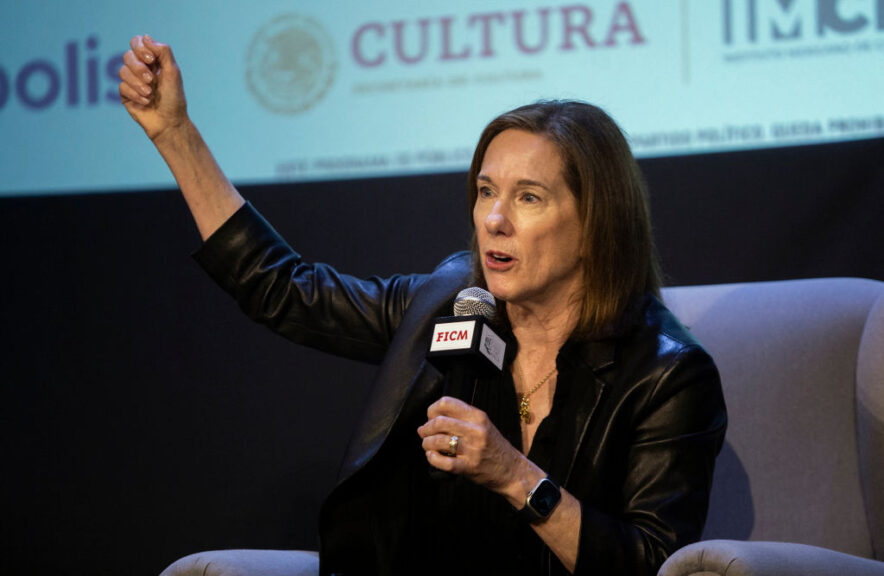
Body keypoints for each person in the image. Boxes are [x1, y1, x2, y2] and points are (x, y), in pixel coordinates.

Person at [119, 34, 727, 576]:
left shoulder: (666, 376)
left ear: (596, 223)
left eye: (529, 198)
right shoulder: (451, 302)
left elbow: (651, 564)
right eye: (486, 191)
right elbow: (286, 291)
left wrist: (516, 477)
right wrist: (175, 135)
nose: (493, 219)